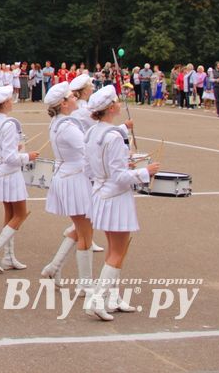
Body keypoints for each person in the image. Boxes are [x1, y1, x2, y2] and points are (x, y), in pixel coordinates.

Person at [84, 85, 160, 320]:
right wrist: (145, 172)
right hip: (116, 198)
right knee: (118, 251)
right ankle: (97, 299)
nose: (119, 104)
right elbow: (118, 177)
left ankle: (112, 297)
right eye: (115, 101)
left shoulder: (92, 132)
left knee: (114, 249)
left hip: (101, 194)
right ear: (109, 108)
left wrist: (120, 168)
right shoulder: (113, 136)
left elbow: (91, 168)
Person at [40, 82, 94, 293]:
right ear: (63, 104)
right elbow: (87, 151)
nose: (75, 99)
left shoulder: (57, 122)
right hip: (74, 179)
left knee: (79, 229)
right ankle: (85, 284)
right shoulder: (67, 127)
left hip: (67, 176)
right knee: (85, 233)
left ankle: (53, 267)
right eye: (71, 97)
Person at [0, 86, 38, 271]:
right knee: (20, 214)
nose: (12, 101)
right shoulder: (9, 124)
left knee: (10, 213)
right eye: (10, 99)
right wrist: (27, 156)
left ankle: (9, 256)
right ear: (5, 103)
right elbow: (10, 158)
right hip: (10, 173)